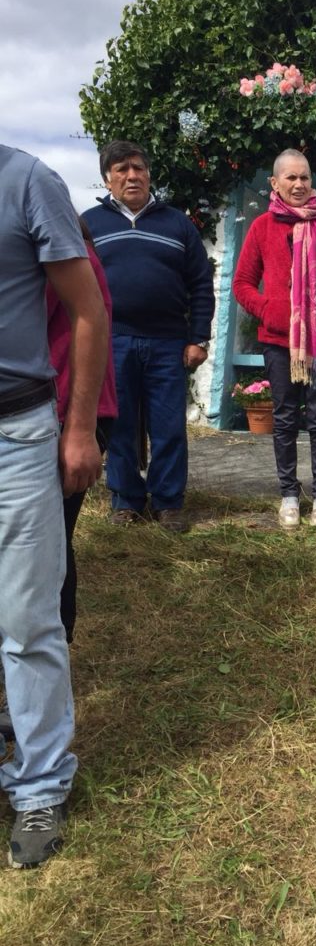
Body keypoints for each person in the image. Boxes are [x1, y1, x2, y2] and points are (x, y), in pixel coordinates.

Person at [0, 143, 108, 867]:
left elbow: (89, 310)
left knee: (27, 619)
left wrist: (77, 428)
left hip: (18, 432)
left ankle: (38, 785)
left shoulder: (27, 181)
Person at [82, 140, 215, 532]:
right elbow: (77, 285)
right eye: (121, 169)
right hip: (112, 343)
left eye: (137, 167)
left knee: (169, 425)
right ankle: (126, 500)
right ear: (108, 179)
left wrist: (198, 338)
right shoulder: (90, 224)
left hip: (168, 343)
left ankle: (168, 503)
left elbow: (201, 285)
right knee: (117, 424)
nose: (131, 175)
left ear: (149, 174)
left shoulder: (178, 224)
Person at [233, 149, 316, 530]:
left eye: (304, 177)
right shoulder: (261, 227)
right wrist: (273, 312)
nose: (299, 184)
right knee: (286, 417)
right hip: (278, 341)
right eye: (290, 178)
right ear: (275, 184)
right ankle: (289, 494)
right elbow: (242, 284)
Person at [47, 219, 118, 641]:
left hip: (68, 411)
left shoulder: (74, 260)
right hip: (59, 408)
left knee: (49, 540)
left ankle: (54, 641)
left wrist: (79, 429)